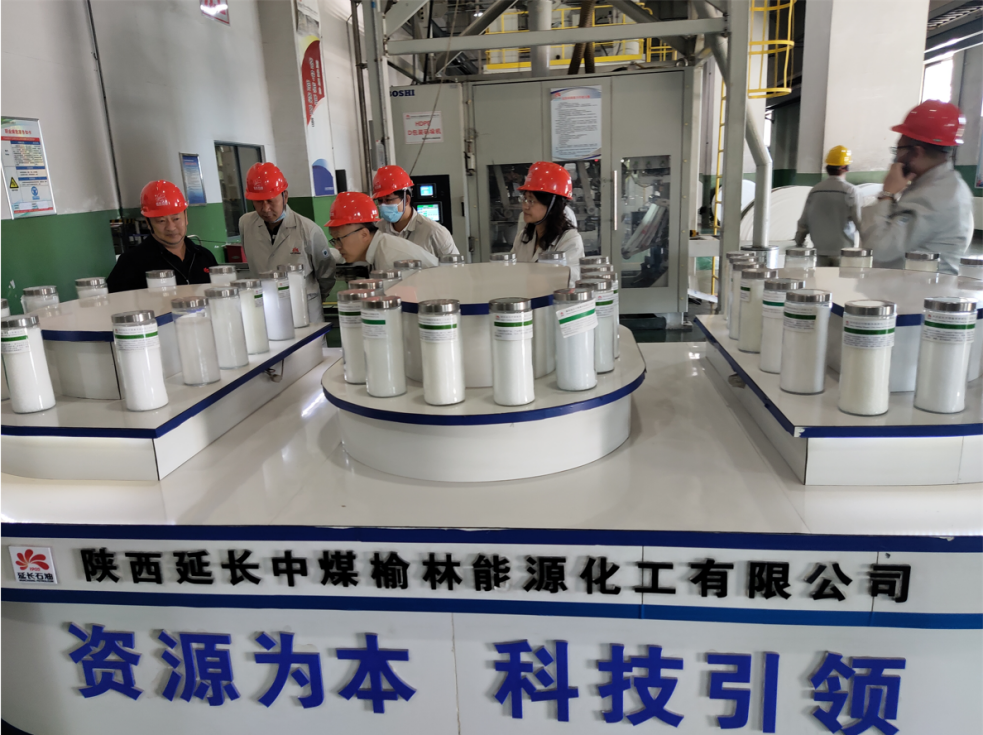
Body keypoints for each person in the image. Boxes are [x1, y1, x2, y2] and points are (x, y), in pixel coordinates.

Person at [861, 100, 973, 275]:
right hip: (913, 286)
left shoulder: (935, 195)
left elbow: (879, 249)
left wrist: (887, 194)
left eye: (898, 149)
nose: (896, 157)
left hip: (919, 290)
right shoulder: (941, 185)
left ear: (916, 152)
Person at [239, 162, 336, 322]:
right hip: (265, 309)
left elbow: (326, 274)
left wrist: (314, 298)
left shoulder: (308, 230)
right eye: (259, 201)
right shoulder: (245, 224)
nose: (265, 208)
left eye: (270, 201)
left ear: (285, 196)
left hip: (304, 310)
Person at [107, 180, 218, 293]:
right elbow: (113, 300)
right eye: (161, 221)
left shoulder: (204, 256)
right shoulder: (132, 261)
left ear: (186, 217)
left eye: (176, 219)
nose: (171, 227)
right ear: (148, 222)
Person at [326, 191, 439, 270]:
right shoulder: (379, 248)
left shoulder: (391, 261)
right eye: (334, 240)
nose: (337, 247)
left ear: (364, 234)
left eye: (339, 239)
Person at [510, 162, 585, 279]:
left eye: (531, 201)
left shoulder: (570, 241)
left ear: (552, 207)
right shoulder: (523, 237)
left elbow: (568, 280)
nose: (525, 207)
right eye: (524, 199)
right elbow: (510, 272)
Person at [372, 165, 459, 258]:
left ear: (406, 200)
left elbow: (454, 266)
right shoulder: (378, 230)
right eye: (380, 201)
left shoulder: (434, 232)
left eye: (388, 200)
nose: (383, 205)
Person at [794, 146, 862, 262]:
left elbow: (803, 222)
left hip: (819, 252)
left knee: (821, 275)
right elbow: (860, 222)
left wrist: (799, 242)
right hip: (843, 252)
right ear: (845, 168)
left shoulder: (815, 190)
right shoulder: (851, 191)